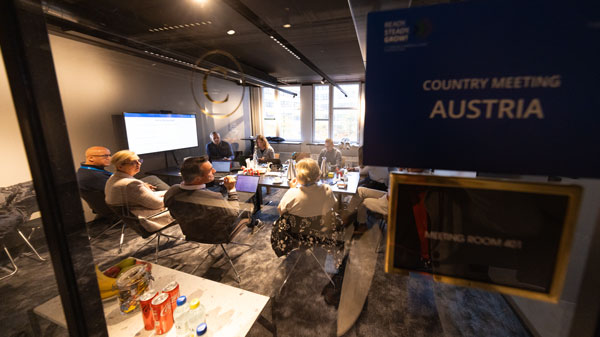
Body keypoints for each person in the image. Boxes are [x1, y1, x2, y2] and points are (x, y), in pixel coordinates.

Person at [164, 157, 247, 230]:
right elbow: (234, 215)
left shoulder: (171, 191)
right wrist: (231, 189)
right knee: (246, 211)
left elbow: (174, 215)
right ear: (197, 178)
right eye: (210, 170)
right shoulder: (213, 197)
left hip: (190, 231)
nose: (214, 171)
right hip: (217, 234)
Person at [105, 150, 173, 231]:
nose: (139, 164)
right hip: (148, 219)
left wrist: (169, 192)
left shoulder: (114, 177)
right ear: (120, 166)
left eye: (139, 161)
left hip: (134, 215)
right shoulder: (130, 184)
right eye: (133, 162)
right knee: (185, 203)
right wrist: (173, 195)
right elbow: (157, 204)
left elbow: (149, 197)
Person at [77, 146, 169, 194]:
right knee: (153, 180)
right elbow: (116, 189)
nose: (109, 158)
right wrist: (143, 186)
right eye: (105, 156)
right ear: (91, 158)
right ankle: (175, 199)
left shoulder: (86, 171)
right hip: (122, 199)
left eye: (109, 155)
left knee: (151, 179)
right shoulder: (94, 176)